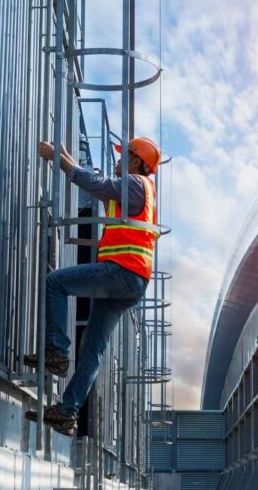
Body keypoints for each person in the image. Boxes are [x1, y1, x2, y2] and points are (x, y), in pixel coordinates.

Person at [25, 137, 161, 436]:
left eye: (123, 155)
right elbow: (93, 185)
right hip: (132, 282)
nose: (117, 159)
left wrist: (59, 160)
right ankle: (67, 412)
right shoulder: (131, 193)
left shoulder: (135, 185)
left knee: (55, 282)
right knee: (92, 349)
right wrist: (64, 157)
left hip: (121, 272)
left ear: (137, 161)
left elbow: (97, 182)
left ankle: (58, 352)